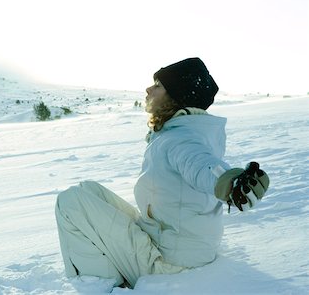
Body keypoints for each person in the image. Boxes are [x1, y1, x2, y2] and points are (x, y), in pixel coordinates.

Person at [55, 57, 270, 288]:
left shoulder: (181, 139)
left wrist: (230, 182)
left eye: (158, 85)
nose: (148, 89)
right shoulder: (185, 131)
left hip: (170, 263)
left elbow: (201, 165)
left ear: (176, 97)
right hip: (175, 242)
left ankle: (102, 285)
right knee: (88, 191)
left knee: (70, 202)